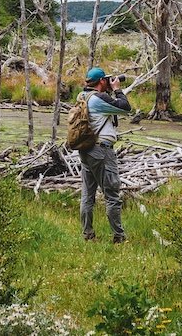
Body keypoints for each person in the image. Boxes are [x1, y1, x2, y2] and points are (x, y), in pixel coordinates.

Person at [79, 67, 131, 243]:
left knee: (87, 195)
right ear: (102, 81)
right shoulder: (99, 99)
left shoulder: (82, 96)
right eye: (107, 80)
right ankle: (119, 237)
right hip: (101, 151)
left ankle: (88, 235)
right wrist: (117, 89)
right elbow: (125, 107)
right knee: (112, 195)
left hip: (86, 149)